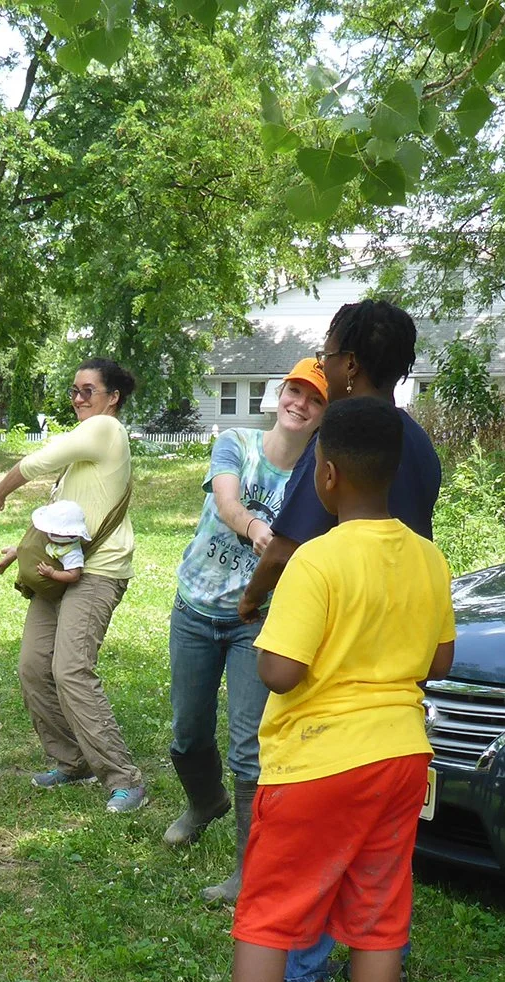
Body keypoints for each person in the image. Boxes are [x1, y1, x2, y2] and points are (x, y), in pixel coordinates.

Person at [178, 397, 455, 982]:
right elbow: (440, 658)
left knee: (269, 910)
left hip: (318, 761)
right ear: (393, 476)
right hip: (401, 754)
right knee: (378, 910)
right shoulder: (428, 557)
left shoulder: (316, 557)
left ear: (325, 475)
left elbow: (279, 670)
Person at [238, 301, 440, 982]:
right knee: (381, 892)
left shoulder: (329, 474)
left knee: (284, 886)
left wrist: (250, 603)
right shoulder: (423, 469)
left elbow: (282, 660)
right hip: (400, 728)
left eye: (326, 351)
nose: (320, 362)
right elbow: (440, 658)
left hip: (320, 726)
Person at [167, 359, 328, 904]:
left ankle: (246, 869)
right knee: (187, 734)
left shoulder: (315, 477)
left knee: (248, 749)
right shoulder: (237, 441)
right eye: (295, 391)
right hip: (194, 606)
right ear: (279, 394)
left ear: (322, 414)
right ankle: (202, 801)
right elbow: (227, 498)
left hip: (255, 622)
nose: (300, 404)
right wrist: (258, 526)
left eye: (314, 399)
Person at [0, 357, 142, 813]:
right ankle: (72, 761)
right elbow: (65, 522)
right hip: (59, 572)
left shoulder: (106, 430)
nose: (77, 399)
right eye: (73, 390)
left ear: (113, 398)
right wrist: (19, 551)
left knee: (70, 670)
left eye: (87, 390)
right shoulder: (84, 452)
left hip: (98, 572)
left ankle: (124, 777)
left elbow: (38, 460)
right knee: (33, 666)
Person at [0, 499, 92, 588]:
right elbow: (35, 550)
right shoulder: (53, 540)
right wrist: (17, 551)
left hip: (56, 588)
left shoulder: (72, 552)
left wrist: (53, 573)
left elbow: (73, 575)